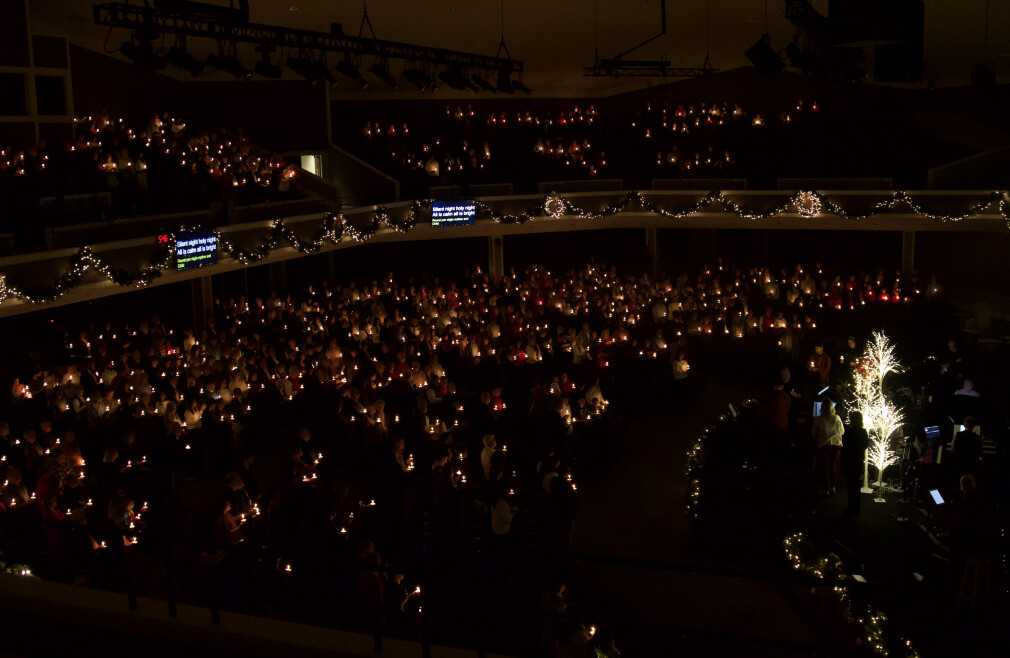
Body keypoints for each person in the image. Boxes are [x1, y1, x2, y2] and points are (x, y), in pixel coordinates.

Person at [812, 398, 843, 495]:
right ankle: (833, 487)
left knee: (825, 467)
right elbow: (842, 431)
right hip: (836, 445)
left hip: (824, 445)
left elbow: (814, 434)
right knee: (833, 466)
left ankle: (826, 489)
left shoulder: (818, 419)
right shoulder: (837, 417)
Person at [842, 411, 869, 515]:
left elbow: (845, 444)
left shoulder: (849, 431)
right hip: (858, 459)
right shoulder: (863, 431)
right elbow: (865, 445)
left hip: (850, 459)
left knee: (850, 484)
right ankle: (857, 506)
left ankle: (851, 506)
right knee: (857, 483)